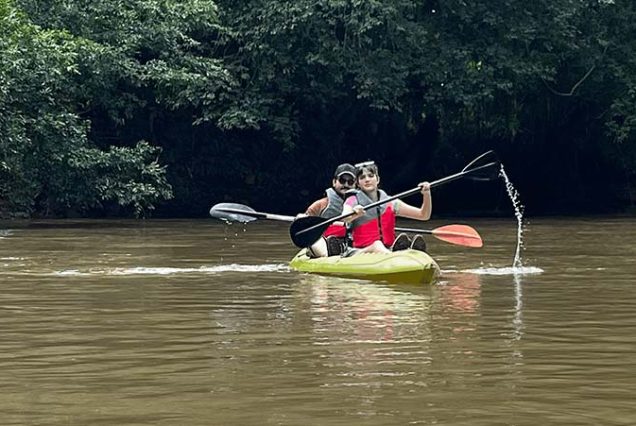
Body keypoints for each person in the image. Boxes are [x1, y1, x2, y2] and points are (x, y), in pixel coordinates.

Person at [342, 161, 431, 254]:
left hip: (388, 248)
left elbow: (423, 215)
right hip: (360, 251)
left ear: (378, 179)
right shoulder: (353, 200)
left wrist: (427, 195)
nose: (367, 179)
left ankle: (405, 253)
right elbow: (345, 218)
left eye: (371, 176)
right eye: (362, 178)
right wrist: (354, 214)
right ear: (358, 184)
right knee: (377, 245)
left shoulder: (391, 202)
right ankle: (395, 256)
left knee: (405, 241)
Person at [300, 163, 356, 257]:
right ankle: (326, 249)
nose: (346, 184)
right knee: (317, 243)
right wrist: (301, 220)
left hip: (351, 243)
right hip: (324, 242)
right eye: (342, 180)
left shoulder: (362, 203)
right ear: (334, 182)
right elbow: (305, 226)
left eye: (350, 182)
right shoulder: (320, 205)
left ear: (355, 184)